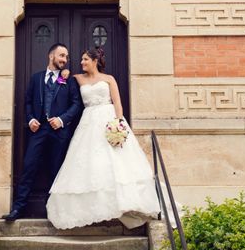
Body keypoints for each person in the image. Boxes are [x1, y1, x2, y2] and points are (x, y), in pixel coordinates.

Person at [46, 47, 161, 229]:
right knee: (91, 163)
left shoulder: (109, 79)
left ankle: (123, 204)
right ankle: (95, 209)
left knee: (116, 163)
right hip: (88, 123)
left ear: (94, 61)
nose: (81, 62)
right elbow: (59, 82)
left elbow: (117, 103)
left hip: (109, 120)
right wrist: (64, 73)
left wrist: (118, 124)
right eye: (81, 60)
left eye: (85, 59)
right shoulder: (77, 78)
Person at [2, 42, 83, 221]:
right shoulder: (36, 78)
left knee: (57, 171)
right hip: (38, 131)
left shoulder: (69, 80)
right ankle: (18, 208)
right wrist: (30, 119)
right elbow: (28, 101)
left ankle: (54, 211)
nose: (65, 60)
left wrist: (62, 119)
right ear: (51, 56)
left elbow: (76, 104)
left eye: (67, 57)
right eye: (62, 55)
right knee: (29, 167)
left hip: (59, 132)